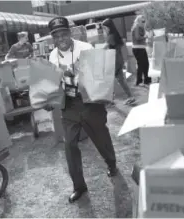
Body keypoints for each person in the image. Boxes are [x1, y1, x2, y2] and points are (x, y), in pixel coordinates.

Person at [45, 17, 118, 204]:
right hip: (69, 105)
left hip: (90, 101)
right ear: (53, 38)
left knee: (100, 136)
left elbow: (100, 74)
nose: (61, 38)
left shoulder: (86, 48)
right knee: (69, 144)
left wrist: (105, 94)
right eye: (56, 35)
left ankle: (111, 163)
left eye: (63, 33)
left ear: (70, 33)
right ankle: (79, 186)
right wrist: (49, 97)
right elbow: (53, 82)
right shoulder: (52, 56)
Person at [101, 18, 136, 105]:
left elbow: (105, 47)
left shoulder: (110, 37)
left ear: (109, 27)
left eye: (104, 28)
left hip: (114, 62)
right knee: (121, 80)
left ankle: (110, 100)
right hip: (119, 60)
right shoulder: (116, 35)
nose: (104, 30)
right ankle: (130, 96)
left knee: (107, 80)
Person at [131, 15, 152, 86]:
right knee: (141, 65)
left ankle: (146, 79)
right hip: (138, 48)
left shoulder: (140, 28)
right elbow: (137, 37)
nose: (144, 23)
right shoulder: (137, 27)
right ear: (138, 21)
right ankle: (139, 81)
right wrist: (145, 37)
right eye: (142, 21)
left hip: (140, 48)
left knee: (146, 64)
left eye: (144, 21)